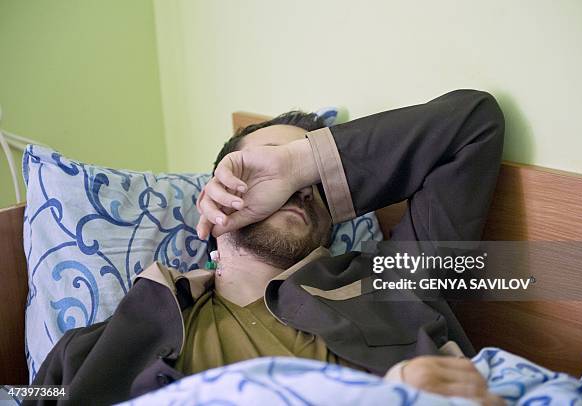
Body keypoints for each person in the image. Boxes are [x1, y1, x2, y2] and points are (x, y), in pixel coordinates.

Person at [28, 89, 505, 406]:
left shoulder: (394, 285)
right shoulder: (92, 348)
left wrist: (299, 163)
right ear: (213, 196)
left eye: (309, 180)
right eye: (259, 169)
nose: (297, 189)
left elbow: (473, 126)